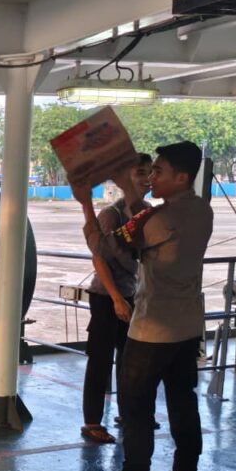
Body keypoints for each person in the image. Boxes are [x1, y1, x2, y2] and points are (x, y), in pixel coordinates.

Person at [74, 141, 214, 471]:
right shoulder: (203, 210)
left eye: (159, 171)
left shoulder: (159, 219)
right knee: (183, 402)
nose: (152, 177)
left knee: (136, 410)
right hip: (187, 326)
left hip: (152, 330)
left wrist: (86, 204)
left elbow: (104, 247)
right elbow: (141, 220)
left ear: (181, 177)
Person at [80, 153, 151, 444]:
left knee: (128, 359)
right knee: (100, 360)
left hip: (132, 293)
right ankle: (92, 422)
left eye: (149, 173)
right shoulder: (112, 215)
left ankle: (126, 412)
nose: (147, 179)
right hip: (106, 296)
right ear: (124, 179)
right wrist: (116, 299)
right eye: (140, 173)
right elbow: (99, 259)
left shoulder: (146, 213)